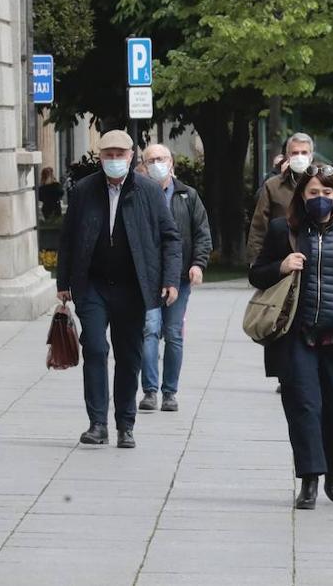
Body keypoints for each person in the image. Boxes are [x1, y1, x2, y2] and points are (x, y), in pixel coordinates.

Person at [249, 164, 333, 510]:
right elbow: (257, 275)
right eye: (313, 193)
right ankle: (309, 478)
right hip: (297, 335)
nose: (320, 199)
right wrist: (281, 266)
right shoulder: (283, 230)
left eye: (327, 193)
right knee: (304, 407)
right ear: (301, 196)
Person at [56, 130, 182, 449]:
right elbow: (68, 238)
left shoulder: (149, 192)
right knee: (96, 348)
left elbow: (170, 238)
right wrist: (63, 283)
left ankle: (125, 424)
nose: (114, 160)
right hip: (93, 284)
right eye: (108, 155)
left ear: (131, 157)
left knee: (129, 356)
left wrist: (169, 279)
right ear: (100, 158)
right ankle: (97, 423)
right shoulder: (84, 190)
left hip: (132, 286)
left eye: (120, 155)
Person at [138, 143, 212, 413]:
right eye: (151, 160)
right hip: (147, 278)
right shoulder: (138, 195)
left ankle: (170, 392)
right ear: (144, 166)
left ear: (171, 162)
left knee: (173, 334)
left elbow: (202, 234)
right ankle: (149, 390)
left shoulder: (187, 196)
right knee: (149, 330)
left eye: (161, 158)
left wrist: (198, 264)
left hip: (179, 277)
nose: (157, 163)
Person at [247, 132, 315, 262]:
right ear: (287, 156)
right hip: (280, 257)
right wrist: (255, 261)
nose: (300, 157)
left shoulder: (322, 184)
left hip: (314, 256)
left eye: (304, 152)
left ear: (311, 156)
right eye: (295, 153)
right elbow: (259, 226)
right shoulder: (273, 185)